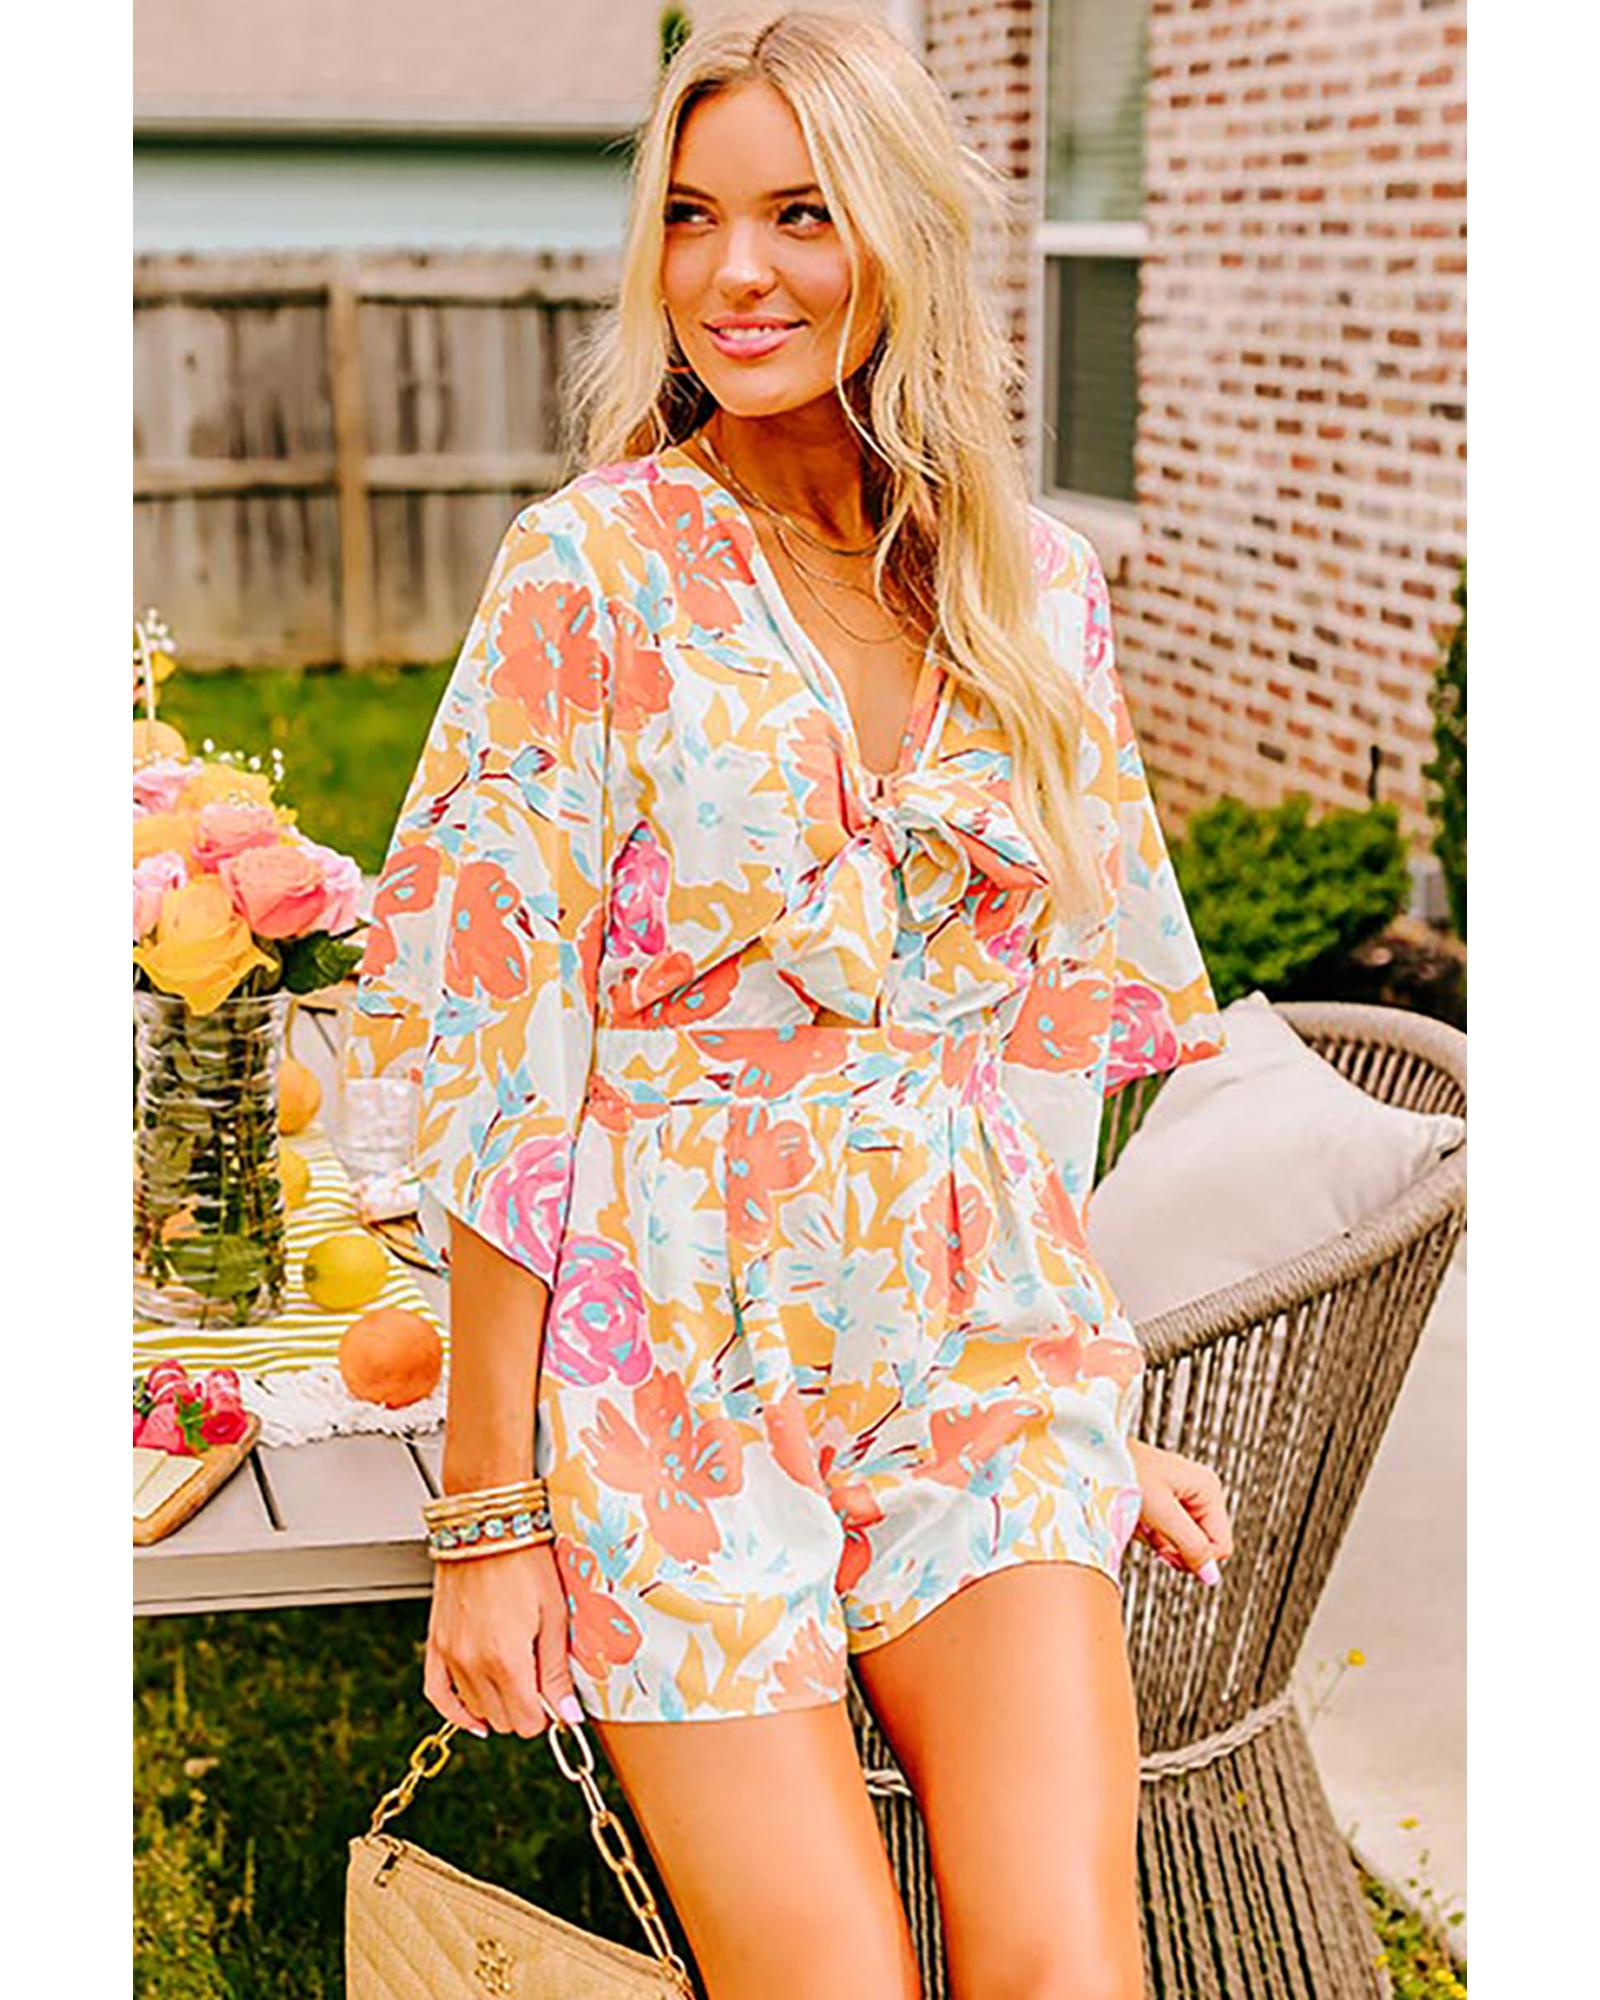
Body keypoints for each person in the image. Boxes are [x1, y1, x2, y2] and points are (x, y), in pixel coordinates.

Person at [347, 9, 1234, 1996]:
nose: (734, 270)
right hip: (666, 1345)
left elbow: (1041, 1045)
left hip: (976, 1336)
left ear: (899, 232)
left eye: (799, 214)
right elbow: (500, 1069)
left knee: (1065, 1966)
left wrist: (1085, 1405)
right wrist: (489, 1513)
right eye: (690, 216)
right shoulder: (590, 570)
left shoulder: (1036, 589)